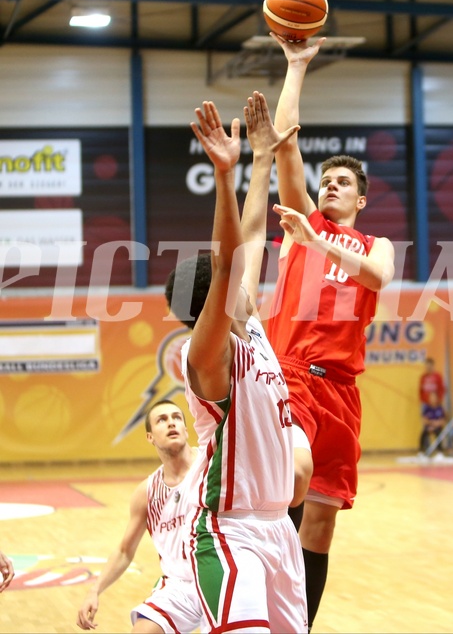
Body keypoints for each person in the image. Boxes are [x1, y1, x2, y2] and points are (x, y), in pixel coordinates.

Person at [266, 32, 396, 631]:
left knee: (321, 521)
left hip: (342, 389)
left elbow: (378, 277)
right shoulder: (303, 225)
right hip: (291, 374)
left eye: (343, 183)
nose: (330, 186)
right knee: (287, 488)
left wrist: (322, 242)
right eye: (327, 181)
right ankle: (260, 603)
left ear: (363, 200)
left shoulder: (375, 244)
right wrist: (296, 65)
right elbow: (285, 141)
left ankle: (299, 625)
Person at [165, 91, 308, 633]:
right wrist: (225, 175)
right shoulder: (206, 354)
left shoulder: (252, 330)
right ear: (214, 303)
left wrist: (263, 155)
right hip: (231, 532)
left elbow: (250, 235)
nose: (250, 272)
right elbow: (230, 257)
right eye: (229, 281)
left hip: (277, 529)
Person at [77, 399, 202, 633]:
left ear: (186, 429)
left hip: (219, 577)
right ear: (150, 437)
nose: (171, 423)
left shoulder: (210, 465)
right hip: (179, 586)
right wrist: (94, 590)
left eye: (176, 418)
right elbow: (125, 551)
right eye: (162, 420)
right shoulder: (147, 492)